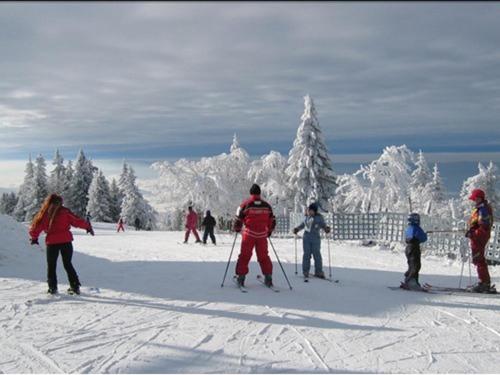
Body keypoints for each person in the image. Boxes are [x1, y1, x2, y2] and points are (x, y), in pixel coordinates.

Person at [29, 193, 94, 295]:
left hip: (52, 243)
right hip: (66, 242)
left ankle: (52, 288)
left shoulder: (45, 213)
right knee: (68, 264)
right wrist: (87, 227)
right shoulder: (65, 212)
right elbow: (76, 221)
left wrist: (34, 238)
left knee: (51, 266)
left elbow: (36, 226)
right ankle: (75, 287)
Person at [233, 184, 276, 287]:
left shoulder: (245, 204)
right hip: (262, 235)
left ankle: (241, 278)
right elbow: (272, 219)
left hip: (249, 235)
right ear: (259, 193)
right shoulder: (267, 205)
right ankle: (268, 277)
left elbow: (238, 218)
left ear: (251, 193)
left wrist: (237, 228)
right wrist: (269, 230)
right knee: (264, 256)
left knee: (244, 256)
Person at [466, 189, 494, 293]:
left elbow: (484, 227)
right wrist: (471, 231)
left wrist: (473, 233)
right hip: (476, 237)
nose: (474, 200)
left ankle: (484, 283)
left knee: (479, 259)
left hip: (479, 237)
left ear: (480, 198)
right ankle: (484, 282)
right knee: (478, 259)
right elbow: (476, 224)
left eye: (475, 198)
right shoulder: (480, 208)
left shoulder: (483, 209)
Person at [293, 202, 331, 279]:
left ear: (315, 211)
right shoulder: (306, 217)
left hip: (315, 239)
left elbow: (323, 225)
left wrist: (326, 229)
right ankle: (305, 271)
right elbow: (302, 225)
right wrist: (297, 229)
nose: (309, 212)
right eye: (309, 210)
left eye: (311, 211)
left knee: (317, 255)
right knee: (306, 255)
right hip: (306, 239)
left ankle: (319, 271)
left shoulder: (319, 218)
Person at [401, 213, 427, 290]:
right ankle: (411, 281)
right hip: (414, 248)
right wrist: (425, 234)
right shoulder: (416, 228)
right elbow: (423, 238)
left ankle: (409, 279)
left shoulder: (408, 228)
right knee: (416, 265)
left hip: (408, 248)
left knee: (411, 264)